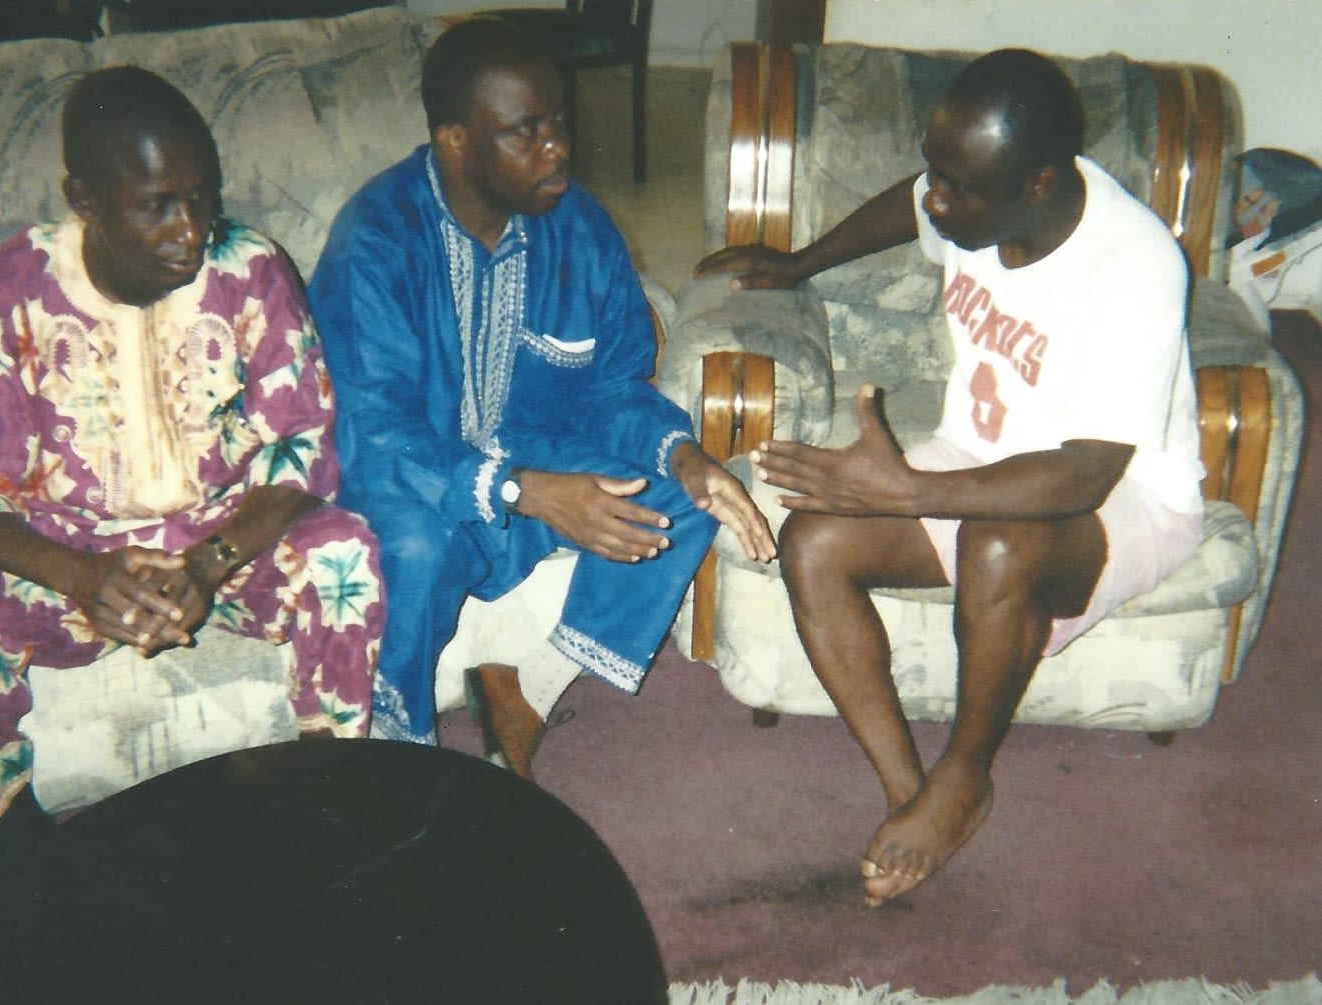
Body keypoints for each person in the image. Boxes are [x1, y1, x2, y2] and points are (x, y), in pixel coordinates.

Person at [696, 49, 1205, 906]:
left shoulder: (1134, 265)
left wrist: (909, 493)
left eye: (955, 187)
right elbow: (906, 205)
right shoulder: (968, 198)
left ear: (1038, 184)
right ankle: (913, 793)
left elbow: (1081, 476)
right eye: (935, 172)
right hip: (979, 458)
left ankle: (965, 771)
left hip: (1123, 496)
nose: (934, 199)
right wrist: (800, 262)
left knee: (998, 546)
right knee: (813, 539)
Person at [0, 66, 387, 857]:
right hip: (65, 552)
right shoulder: (1, 290)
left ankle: (324, 786)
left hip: (219, 540)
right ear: (83, 198)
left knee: (344, 553)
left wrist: (206, 562)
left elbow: (301, 450)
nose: (191, 229)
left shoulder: (250, 269)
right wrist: (84, 576)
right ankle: (10, 832)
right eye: (157, 205)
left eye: (202, 195)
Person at [308, 18, 773, 776]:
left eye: (559, 121)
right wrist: (526, 492)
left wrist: (684, 453)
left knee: (685, 494)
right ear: (456, 142)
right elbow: (372, 433)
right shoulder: (378, 238)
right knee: (416, 550)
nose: (558, 148)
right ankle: (399, 750)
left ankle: (529, 688)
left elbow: (613, 387)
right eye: (526, 132)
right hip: (418, 487)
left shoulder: (580, 226)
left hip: (533, 457)